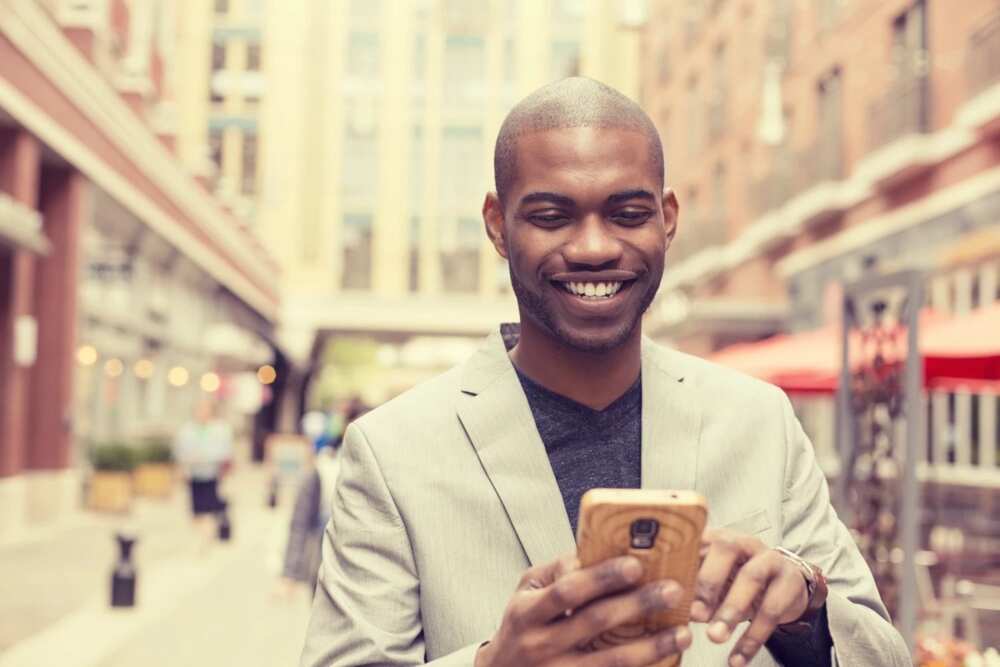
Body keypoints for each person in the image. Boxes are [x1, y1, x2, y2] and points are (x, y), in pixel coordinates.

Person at [301, 78, 910, 666]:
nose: (594, 247)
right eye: (551, 216)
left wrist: (807, 609)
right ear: (497, 225)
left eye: (626, 213)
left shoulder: (760, 419)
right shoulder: (390, 452)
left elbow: (887, 657)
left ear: (667, 218)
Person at [280, 399, 367, 595]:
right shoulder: (325, 466)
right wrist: (290, 573)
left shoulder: (387, 473)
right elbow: (300, 520)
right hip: (325, 565)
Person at [174, 398, 233, 549]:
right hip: (194, 475)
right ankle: (202, 535)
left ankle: (206, 537)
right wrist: (182, 469)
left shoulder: (219, 429)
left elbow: (225, 452)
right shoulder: (187, 430)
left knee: (209, 509)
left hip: (211, 474)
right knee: (196, 511)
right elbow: (180, 452)